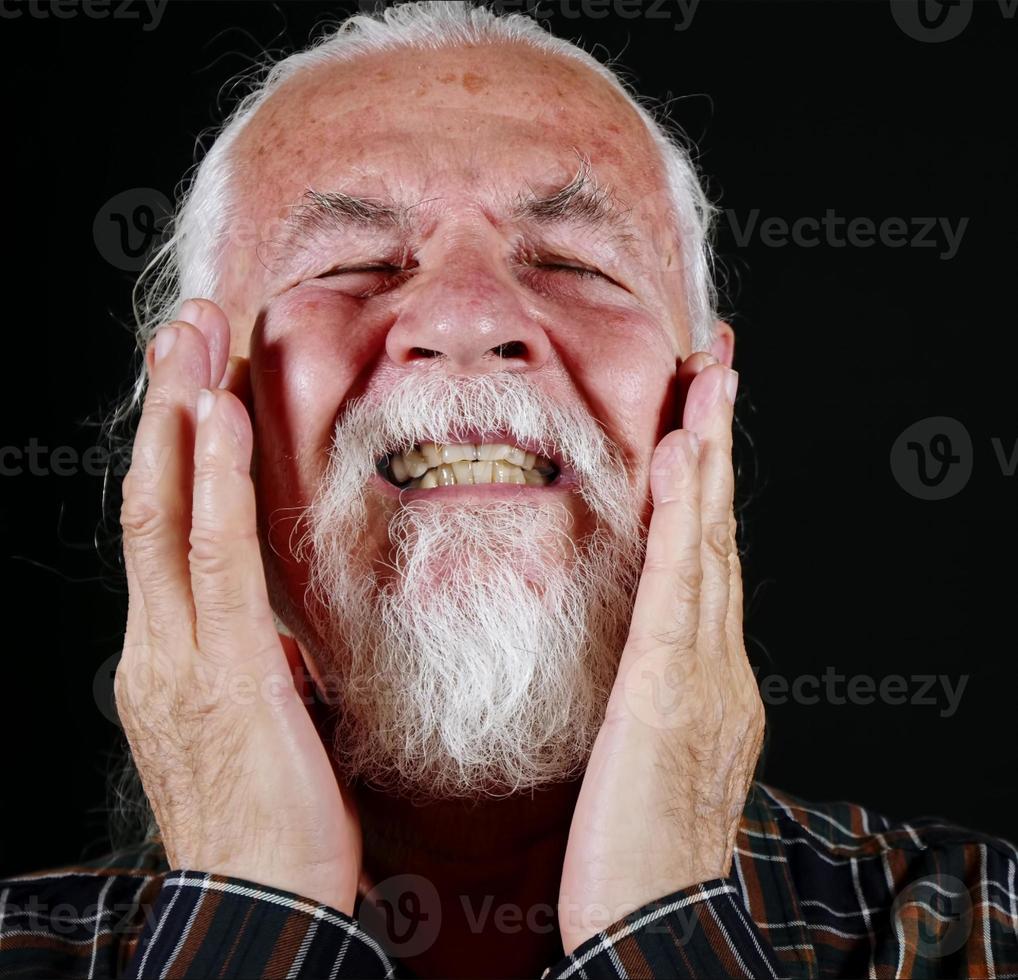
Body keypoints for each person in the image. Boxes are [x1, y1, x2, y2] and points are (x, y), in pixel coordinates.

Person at [2, 3, 1015, 978]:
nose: (470, 314)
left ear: (703, 393)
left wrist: (657, 917)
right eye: (353, 261)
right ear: (191, 411)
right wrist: (257, 913)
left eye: (573, 261)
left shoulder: (978, 925)